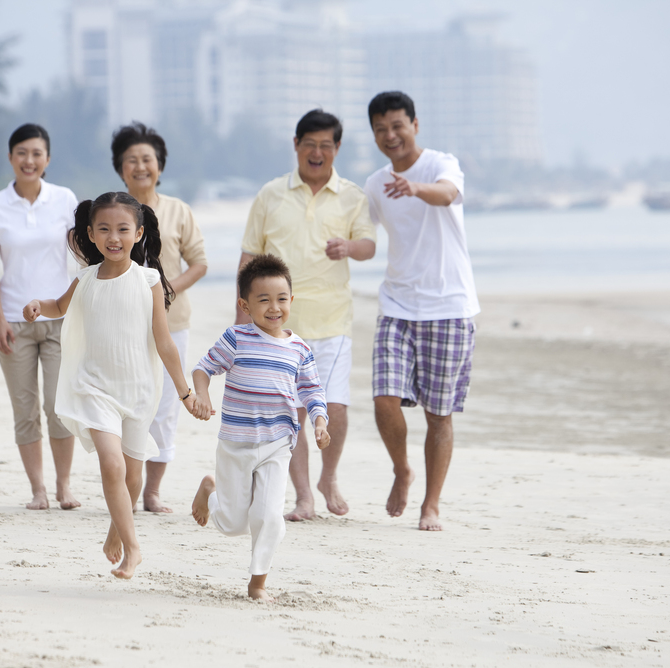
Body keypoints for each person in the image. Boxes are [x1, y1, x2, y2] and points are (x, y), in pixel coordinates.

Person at [22, 192, 210, 579]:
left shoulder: (150, 280)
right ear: (90, 234)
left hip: (139, 389)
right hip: (95, 387)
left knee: (132, 475)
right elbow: (60, 306)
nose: (114, 237)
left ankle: (115, 529)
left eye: (123, 229)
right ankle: (134, 548)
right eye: (104, 229)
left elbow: (164, 342)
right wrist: (39, 305)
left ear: (139, 233)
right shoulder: (85, 278)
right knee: (112, 464)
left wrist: (186, 393)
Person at [237, 109, 375, 522]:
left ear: (336, 149)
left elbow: (368, 245)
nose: (317, 153)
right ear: (296, 145)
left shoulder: (352, 195)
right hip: (278, 325)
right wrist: (242, 320)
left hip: (333, 321)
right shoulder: (271, 194)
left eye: (326, 145)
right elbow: (248, 257)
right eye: (310, 144)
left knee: (333, 406)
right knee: (293, 412)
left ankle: (327, 477)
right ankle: (303, 497)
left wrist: (348, 248)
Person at [363, 91, 480, 532]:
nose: (390, 136)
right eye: (380, 129)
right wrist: (340, 248)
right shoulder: (376, 184)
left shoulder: (440, 164)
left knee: (438, 413)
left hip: (449, 305)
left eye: (397, 126)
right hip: (397, 303)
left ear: (415, 124)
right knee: (383, 398)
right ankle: (401, 469)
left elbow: (448, 195)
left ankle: (430, 505)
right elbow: (365, 236)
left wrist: (414, 187)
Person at [192, 254, 330, 602]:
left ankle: (258, 583)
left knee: (268, 515)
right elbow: (202, 369)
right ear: (245, 305)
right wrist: (203, 396)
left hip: (277, 444)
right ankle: (210, 490)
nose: (274, 308)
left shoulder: (299, 349)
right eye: (263, 300)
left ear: (291, 301)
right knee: (235, 523)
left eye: (281, 299)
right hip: (236, 442)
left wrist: (319, 422)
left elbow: (313, 391)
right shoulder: (236, 338)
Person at [0, 123, 80, 511]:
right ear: (10, 158)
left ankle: (63, 486)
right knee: (25, 409)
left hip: (58, 319)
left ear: (48, 159)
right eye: (21, 152)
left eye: (37, 153)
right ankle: (38, 490)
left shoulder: (65, 199)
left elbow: (82, 253)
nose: (29, 160)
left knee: (59, 405)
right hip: (13, 323)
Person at [111, 122, 208, 513]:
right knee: (125, 403)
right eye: (131, 160)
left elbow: (199, 263)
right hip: (119, 324)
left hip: (172, 323)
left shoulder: (178, 211)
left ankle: (151, 492)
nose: (140, 166)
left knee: (166, 406)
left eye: (147, 159)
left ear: (160, 166)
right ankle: (123, 488)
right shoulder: (112, 209)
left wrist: (167, 288)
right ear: (120, 168)